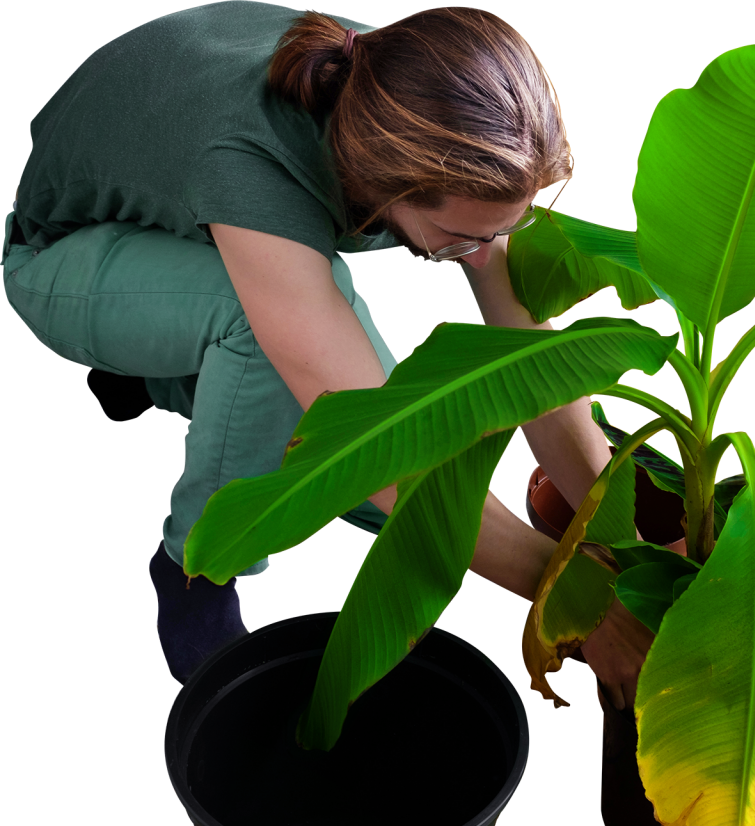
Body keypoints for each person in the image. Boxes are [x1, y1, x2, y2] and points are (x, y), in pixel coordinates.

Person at [3, 3, 661, 710]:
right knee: (285, 360)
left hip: (181, 200)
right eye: (455, 240)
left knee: (405, 481)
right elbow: (378, 450)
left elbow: (530, 356)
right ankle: (194, 563)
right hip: (63, 256)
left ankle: (155, 385)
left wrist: (613, 534)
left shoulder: (414, 92)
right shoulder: (257, 168)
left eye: (498, 231)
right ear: (389, 182)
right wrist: (582, 598)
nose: (479, 253)